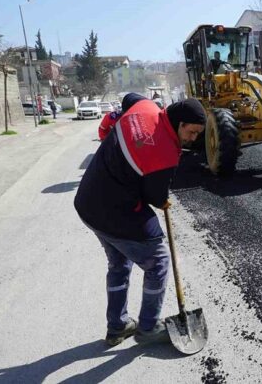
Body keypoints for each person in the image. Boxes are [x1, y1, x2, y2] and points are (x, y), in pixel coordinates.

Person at [74, 93, 206, 346]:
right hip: (114, 210)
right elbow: (154, 197)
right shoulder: (166, 153)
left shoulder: (145, 106)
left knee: (119, 264)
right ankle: (147, 327)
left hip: (87, 202)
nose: (193, 139)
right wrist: (163, 199)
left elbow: (129, 98)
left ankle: (118, 326)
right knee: (158, 261)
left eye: (198, 134)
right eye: (191, 132)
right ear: (179, 124)